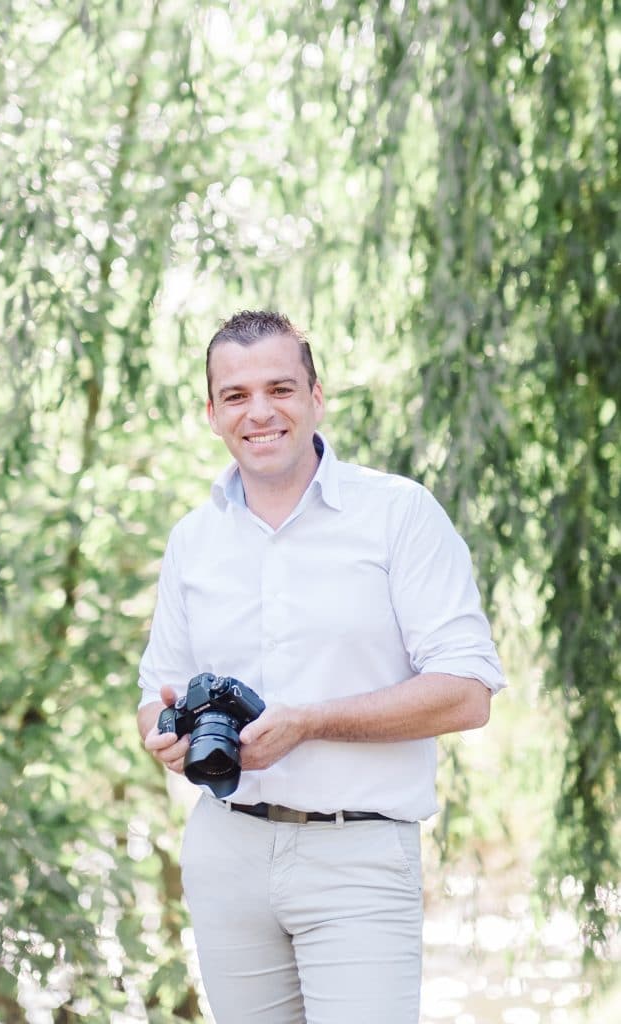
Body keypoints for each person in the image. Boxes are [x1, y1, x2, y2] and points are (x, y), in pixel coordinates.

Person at [137, 310, 505, 1024]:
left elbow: (466, 694)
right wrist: (165, 734)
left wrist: (308, 723)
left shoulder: (398, 514)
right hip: (225, 848)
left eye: (279, 387)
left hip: (357, 855)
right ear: (211, 413)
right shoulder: (194, 538)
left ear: (315, 396)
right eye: (236, 396)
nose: (260, 412)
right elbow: (156, 691)